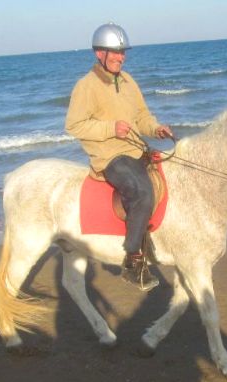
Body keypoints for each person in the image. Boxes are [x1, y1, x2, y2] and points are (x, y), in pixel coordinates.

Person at [65, 22, 173, 291]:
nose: (120, 57)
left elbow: (141, 117)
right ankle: (132, 260)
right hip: (110, 157)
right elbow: (74, 125)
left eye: (123, 52)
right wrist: (110, 128)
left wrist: (156, 129)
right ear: (99, 53)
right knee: (143, 192)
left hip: (136, 149)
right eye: (115, 52)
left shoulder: (127, 80)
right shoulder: (86, 86)